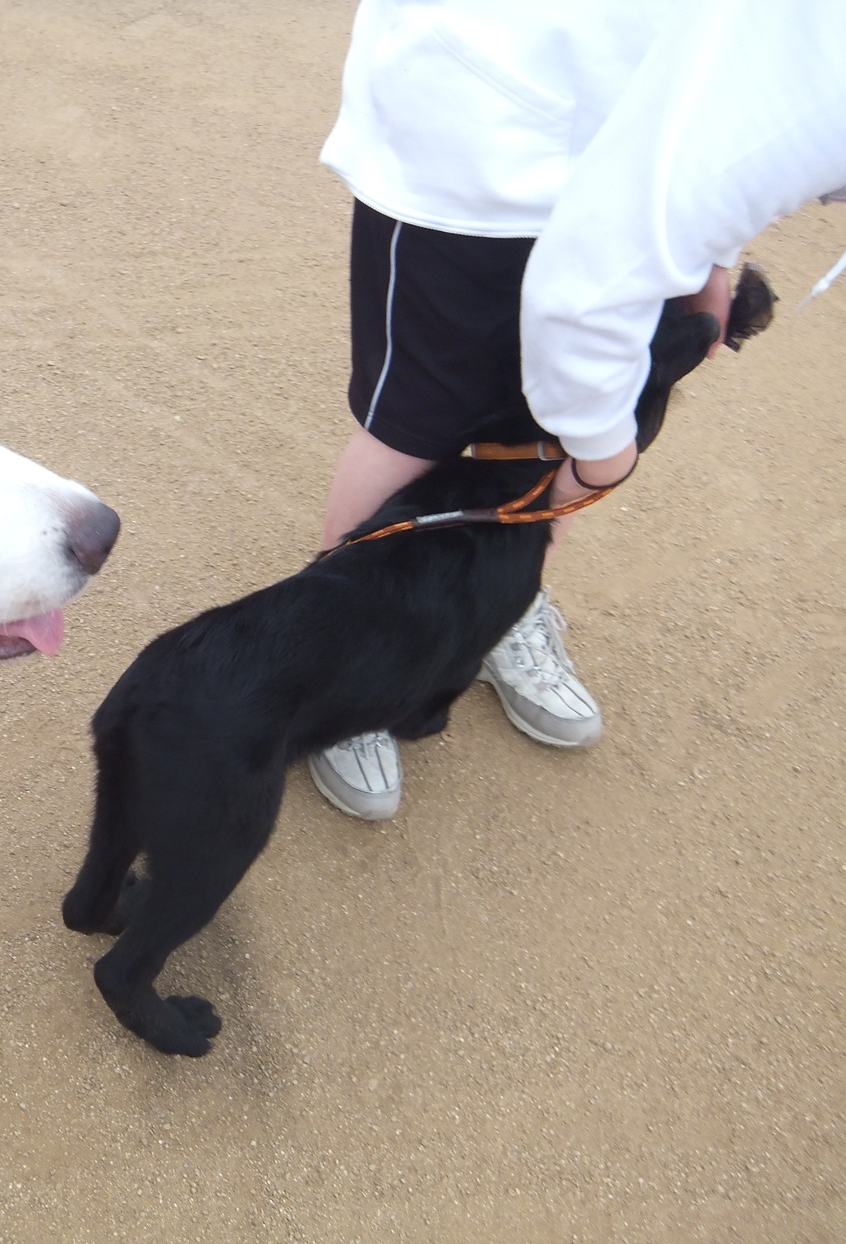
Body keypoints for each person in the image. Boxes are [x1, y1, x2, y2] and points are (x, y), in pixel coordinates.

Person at [307, 0, 846, 820]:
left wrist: (708, 249)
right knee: (415, 422)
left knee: (550, 429)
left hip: (635, 129)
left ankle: (501, 603)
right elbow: (602, 279)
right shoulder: (816, 89)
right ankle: (342, 650)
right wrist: (600, 458)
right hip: (479, 131)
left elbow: (714, 134)